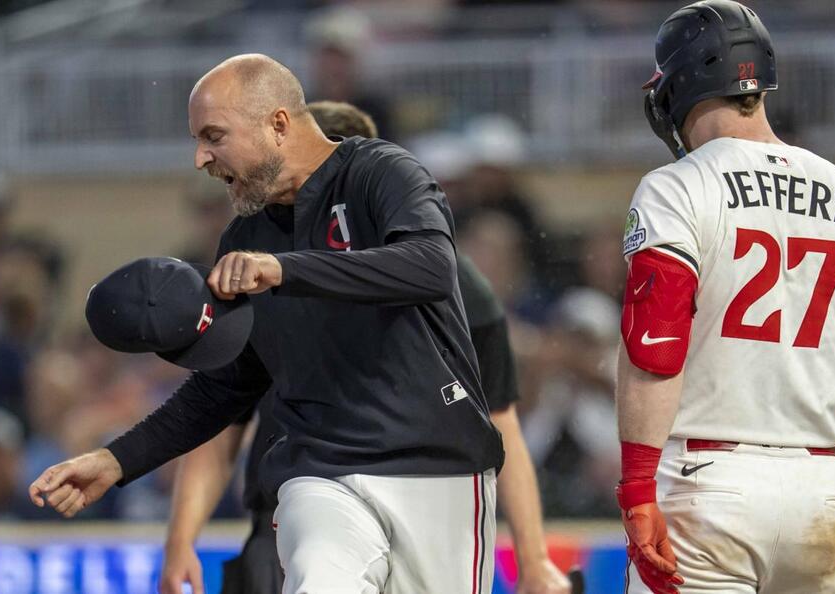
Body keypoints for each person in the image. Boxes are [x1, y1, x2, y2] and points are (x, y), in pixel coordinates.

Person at [28, 53, 504, 594]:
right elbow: (225, 386)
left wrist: (284, 269)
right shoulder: (243, 237)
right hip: (319, 474)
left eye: (213, 136)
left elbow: (431, 267)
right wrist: (117, 460)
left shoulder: (380, 171)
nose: (200, 158)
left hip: (438, 467)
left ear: (277, 124)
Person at [159, 100, 570, 594]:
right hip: (295, 507)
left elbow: (499, 419)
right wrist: (179, 539)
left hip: (416, 493)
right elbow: (220, 414)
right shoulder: (258, 263)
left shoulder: (450, 283)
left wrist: (533, 557)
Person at [615, 2, 835, 593]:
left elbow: (654, 348)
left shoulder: (676, 187)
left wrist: (635, 487)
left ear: (678, 85)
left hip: (707, 487)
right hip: (823, 489)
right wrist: (812, 369)